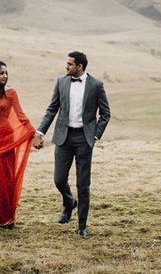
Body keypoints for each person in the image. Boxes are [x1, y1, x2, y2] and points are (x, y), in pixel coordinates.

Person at [33, 51, 110, 238]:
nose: (66, 67)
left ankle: (82, 226)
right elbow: (52, 109)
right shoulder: (61, 82)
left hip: (84, 139)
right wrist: (39, 132)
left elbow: (105, 113)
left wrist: (95, 136)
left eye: (69, 64)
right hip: (63, 138)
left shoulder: (96, 85)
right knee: (59, 179)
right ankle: (69, 202)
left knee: (83, 185)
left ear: (80, 67)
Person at [0, 60, 36, 229]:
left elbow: (21, 115)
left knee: (3, 178)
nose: (5, 76)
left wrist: (33, 133)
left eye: (6, 73)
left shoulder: (11, 93)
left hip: (5, 139)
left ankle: (7, 218)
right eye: (2, 73)